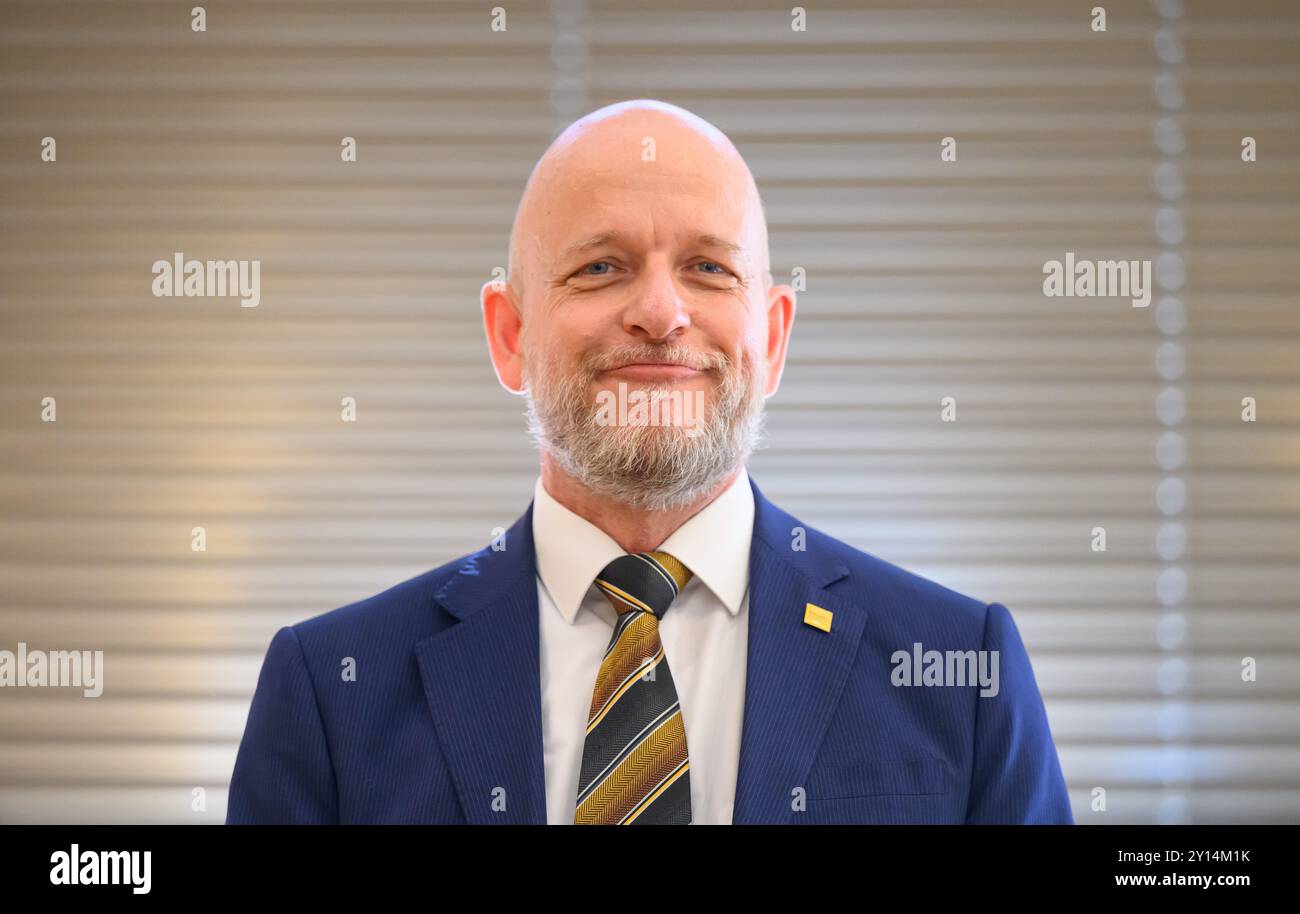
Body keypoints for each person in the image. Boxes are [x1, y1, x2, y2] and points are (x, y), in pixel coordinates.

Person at [227, 99, 1072, 825]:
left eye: (708, 268)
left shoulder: (961, 676)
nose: (662, 313)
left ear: (773, 339)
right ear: (509, 335)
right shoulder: (330, 693)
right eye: (601, 267)